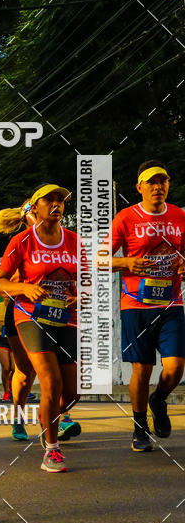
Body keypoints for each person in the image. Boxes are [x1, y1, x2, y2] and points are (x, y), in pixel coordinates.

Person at [0, 185, 82, 473]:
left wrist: (80, 296)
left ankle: (49, 417)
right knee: (48, 379)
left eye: (61, 200)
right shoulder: (22, 241)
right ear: (35, 207)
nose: (56, 204)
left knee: (73, 390)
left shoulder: (74, 241)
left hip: (65, 317)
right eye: (50, 200)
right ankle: (51, 449)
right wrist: (24, 288)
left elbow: (89, 279)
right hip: (29, 316)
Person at [108, 161, 185, 452]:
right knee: (142, 368)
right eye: (151, 182)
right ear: (139, 187)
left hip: (171, 302)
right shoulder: (126, 217)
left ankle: (159, 398)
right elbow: (100, 259)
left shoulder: (179, 215)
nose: (158, 186)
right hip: (135, 304)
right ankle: (139, 426)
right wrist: (126, 262)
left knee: (176, 366)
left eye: (163, 180)